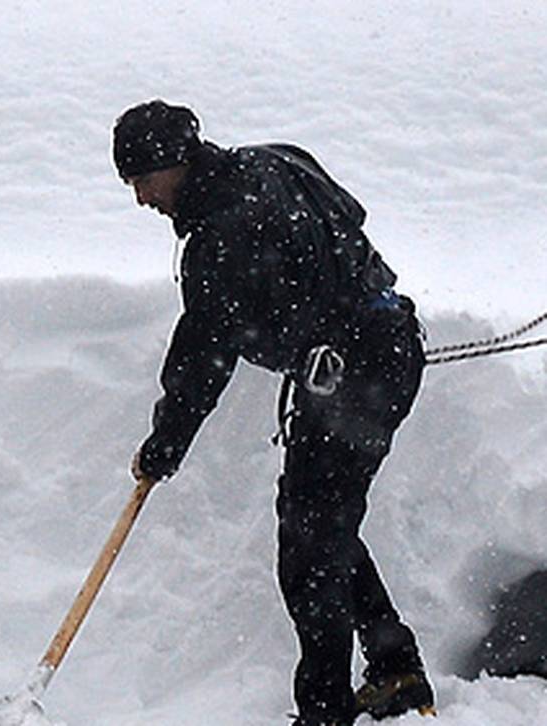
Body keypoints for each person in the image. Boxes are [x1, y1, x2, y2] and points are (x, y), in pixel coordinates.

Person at [114, 100, 435, 726]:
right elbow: (350, 221)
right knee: (320, 523)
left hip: (351, 378)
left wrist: (164, 446)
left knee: (309, 553)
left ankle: (325, 713)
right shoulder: (277, 160)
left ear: (176, 162)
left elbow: (202, 357)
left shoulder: (219, 238)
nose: (142, 199)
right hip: (384, 350)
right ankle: (394, 668)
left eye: (144, 180)